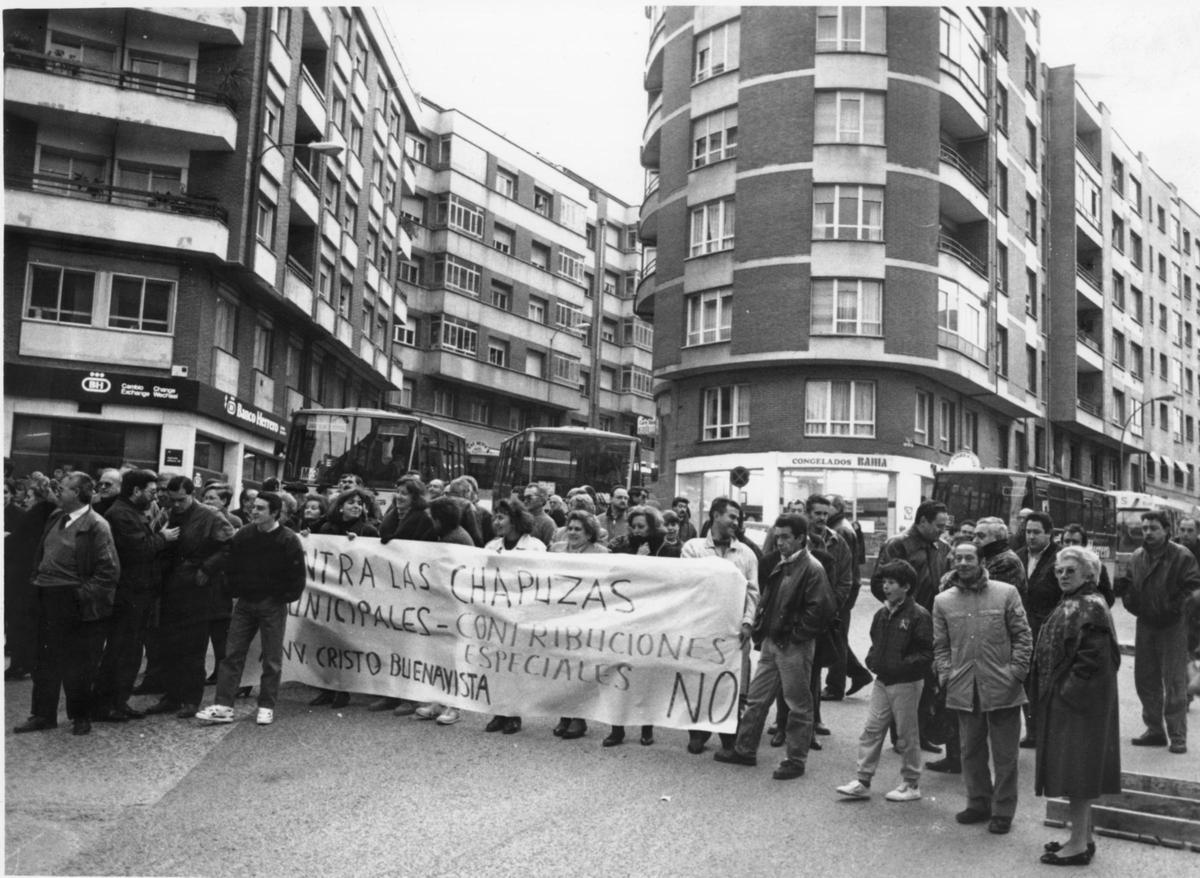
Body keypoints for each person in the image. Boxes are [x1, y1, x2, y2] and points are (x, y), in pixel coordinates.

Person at [714, 513, 834, 780]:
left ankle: (795, 760)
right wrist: (764, 630)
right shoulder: (786, 563)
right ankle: (745, 750)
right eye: (777, 537)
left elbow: (821, 610)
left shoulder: (811, 568)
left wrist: (794, 636)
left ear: (800, 538)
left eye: (785, 537)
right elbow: (771, 600)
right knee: (757, 699)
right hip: (774, 641)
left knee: (798, 705)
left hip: (792, 645)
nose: (779, 542)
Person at [933, 541, 1032, 835]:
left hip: (1003, 685)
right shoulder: (943, 601)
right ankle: (978, 803)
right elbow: (940, 645)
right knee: (970, 751)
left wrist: (1017, 672)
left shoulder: (1006, 593)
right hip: (964, 686)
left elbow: (1023, 636)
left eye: (969, 558)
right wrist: (946, 674)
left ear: (982, 562)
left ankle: (1003, 811)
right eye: (958, 558)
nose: (963, 563)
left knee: (1005, 756)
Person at [1032, 546, 1121, 866]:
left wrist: (1065, 694)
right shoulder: (1078, 601)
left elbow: (1092, 661)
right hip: (1074, 703)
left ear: (1089, 574)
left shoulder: (1090, 605)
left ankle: (1078, 845)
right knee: (1077, 771)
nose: (1063, 575)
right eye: (1059, 571)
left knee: (1078, 773)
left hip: (1079, 707)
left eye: (1070, 570)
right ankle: (1083, 837)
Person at [13, 473, 120, 736]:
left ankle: (81, 716)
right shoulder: (56, 516)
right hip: (45, 595)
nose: (57, 491)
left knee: (78, 663)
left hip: (73, 600)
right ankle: (43, 714)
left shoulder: (97, 525)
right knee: (44, 660)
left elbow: (109, 572)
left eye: (63, 488)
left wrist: (80, 595)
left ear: (79, 493)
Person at [195, 491, 306, 727]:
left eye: (260, 508)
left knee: (271, 658)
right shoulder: (245, 534)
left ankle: (266, 706)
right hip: (245, 603)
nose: (253, 511)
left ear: (275, 513)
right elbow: (230, 562)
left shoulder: (288, 540)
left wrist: (280, 597)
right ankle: (224, 706)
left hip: (272, 604)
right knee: (232, 654)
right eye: (254, 507)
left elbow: (297, 575)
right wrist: (234, 589)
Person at [835, 559, 933, 803]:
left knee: (906, 734)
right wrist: (873, 659)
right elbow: (875, 641)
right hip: (883, 681)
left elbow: (926, 652)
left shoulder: (918, 615)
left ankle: (911, 782)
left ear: (906, 587)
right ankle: (863, 780)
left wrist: (901, 666)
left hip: (907, 683)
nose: (886, 587)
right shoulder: (881, 614)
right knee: (872, 729)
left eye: (892, 583)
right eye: (884, 582)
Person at [92, 469, 178, 722]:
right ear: (136, 490)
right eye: (151, 491)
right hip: (129, 593)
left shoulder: (130, 511)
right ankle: (106, 704)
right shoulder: (121, 514)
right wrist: (163, 537)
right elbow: (139, 549)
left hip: (138, 591)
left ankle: (118, 701)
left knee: (129, 650)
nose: (154, 496)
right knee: (121, 649)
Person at [144, 477, 234, 720]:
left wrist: (207, 568)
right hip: (171, 588)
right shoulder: (168, 514)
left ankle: (191, 699)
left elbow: (229, 546)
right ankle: (171, 696)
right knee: (170, 645)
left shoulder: (211, 516)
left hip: (198, 589)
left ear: (192, 494)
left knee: (193, 647)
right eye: (172, 500)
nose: (176, 505)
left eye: (181, 500)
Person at [681, 497, 760, 755]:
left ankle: (729, 734)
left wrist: (748, 621)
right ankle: (698, 732)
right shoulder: (693, 548)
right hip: (702, 628)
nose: (736, 522)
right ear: (715, 515)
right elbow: (689, 584)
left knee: (733, 682)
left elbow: (753, 592)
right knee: (700, 680)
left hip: (735, 630)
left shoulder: (747, 554)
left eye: (738, 518)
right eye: (731, 517)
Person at [1119, 510, 1200, 754]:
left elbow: (1193, 588)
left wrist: (1173, 610)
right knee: (1145, 679)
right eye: (1144, 528)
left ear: (1166, 530)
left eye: (1153, 528)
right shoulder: (1137, 556)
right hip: (1146, 624)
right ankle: (1154, 729)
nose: (1148, 532)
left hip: (1172, 626)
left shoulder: (1182, 556)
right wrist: (1134, 605)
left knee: (1174, 682)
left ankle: (1177, 736)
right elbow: (1128, 585)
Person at [872, 500, 949, 755]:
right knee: (903, 679)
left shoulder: (940, 547)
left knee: (927, 680)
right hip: (906, 621)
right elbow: (880, 583)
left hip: (932, 620)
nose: (942, 531)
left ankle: (920, 734)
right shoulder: (898, 545)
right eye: (938, 525)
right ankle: (901, 737)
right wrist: (899, 610)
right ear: (923, 521)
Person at [544, 511, 610, 742]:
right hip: (559, 616)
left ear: (589, 533)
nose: (572, 532)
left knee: (580, 668)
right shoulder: (556, 549)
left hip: (586, 617)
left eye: (578, 529)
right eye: (570, 528)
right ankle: (564, 715)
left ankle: (579, 718)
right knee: (561, 667)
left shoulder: (601, 553)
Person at [482, 499, 546, 736]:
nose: (496, 522)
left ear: (515, 520)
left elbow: (542, 581)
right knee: (497, 664)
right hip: (497, 613)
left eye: (501, 517)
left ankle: (514, 714)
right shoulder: (491, 547)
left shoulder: (535, 547)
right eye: (494, 517)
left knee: (516, 665)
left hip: (522, 613)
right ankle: (499, 712)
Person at [5, 472, 58, 680]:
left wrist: (6, 539)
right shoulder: (46, 513)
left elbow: (18, 543)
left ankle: (20, 664)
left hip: (21, 575)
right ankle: (25, 662)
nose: (25, 500)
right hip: (32, 574)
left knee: (19, 621)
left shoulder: (34, 514)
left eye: (29, 496)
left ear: (37, 497)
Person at [823, 495, 872, 702]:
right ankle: (858, 673)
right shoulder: (842, 526)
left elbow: (842, 565)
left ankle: (835, 686)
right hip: (847, 587)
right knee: (836, 634)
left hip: (843, 589)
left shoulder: (841, 530)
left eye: (827, 508)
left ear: (836, 508)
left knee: (837, 636)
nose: (823, 512)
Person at [1016, 511, 1058, 747]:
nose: (1030, 537)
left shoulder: (1059, 558)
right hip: (1022, 630)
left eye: (1036, 532)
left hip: (1047, 630)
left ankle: (1048, 732)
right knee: (1026, 681)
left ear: (1049, 534)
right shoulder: (1018, 556)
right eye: (1027, 532)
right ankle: (1032, 731)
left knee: (1046, 683)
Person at [1059, 524, 1115, 606]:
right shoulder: (1055, 566)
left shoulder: (1095, 567)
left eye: (1075, 542)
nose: (1070, 545)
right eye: (1067, 541)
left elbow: (1109, 599)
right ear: (1061, 544)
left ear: (1083, 545)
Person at [379, 476, 434, 544]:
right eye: (397, 492)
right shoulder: (391, 513)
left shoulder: (423, 519)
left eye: (404, 494)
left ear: (415, 498)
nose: (398, 496)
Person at [521, 483, 558, 547]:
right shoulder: (520, 519)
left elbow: (549, 549)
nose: (525, 501)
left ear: (541, 500)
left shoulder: (548, 523)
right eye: (524, 498)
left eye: (529, 498)